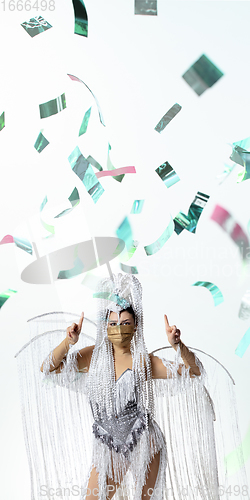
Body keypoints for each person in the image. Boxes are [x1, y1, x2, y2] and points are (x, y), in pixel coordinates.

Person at [40, 274, 209, 500]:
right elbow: (47, 368)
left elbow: (195, 372)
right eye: (113, 323)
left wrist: (178, 346)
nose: (119, 328)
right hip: (108, 443)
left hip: (145, 441)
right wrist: (68, 342)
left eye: (126, 323)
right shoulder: (94, 356)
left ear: (136, 325)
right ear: (106, 326)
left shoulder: (144, 362)